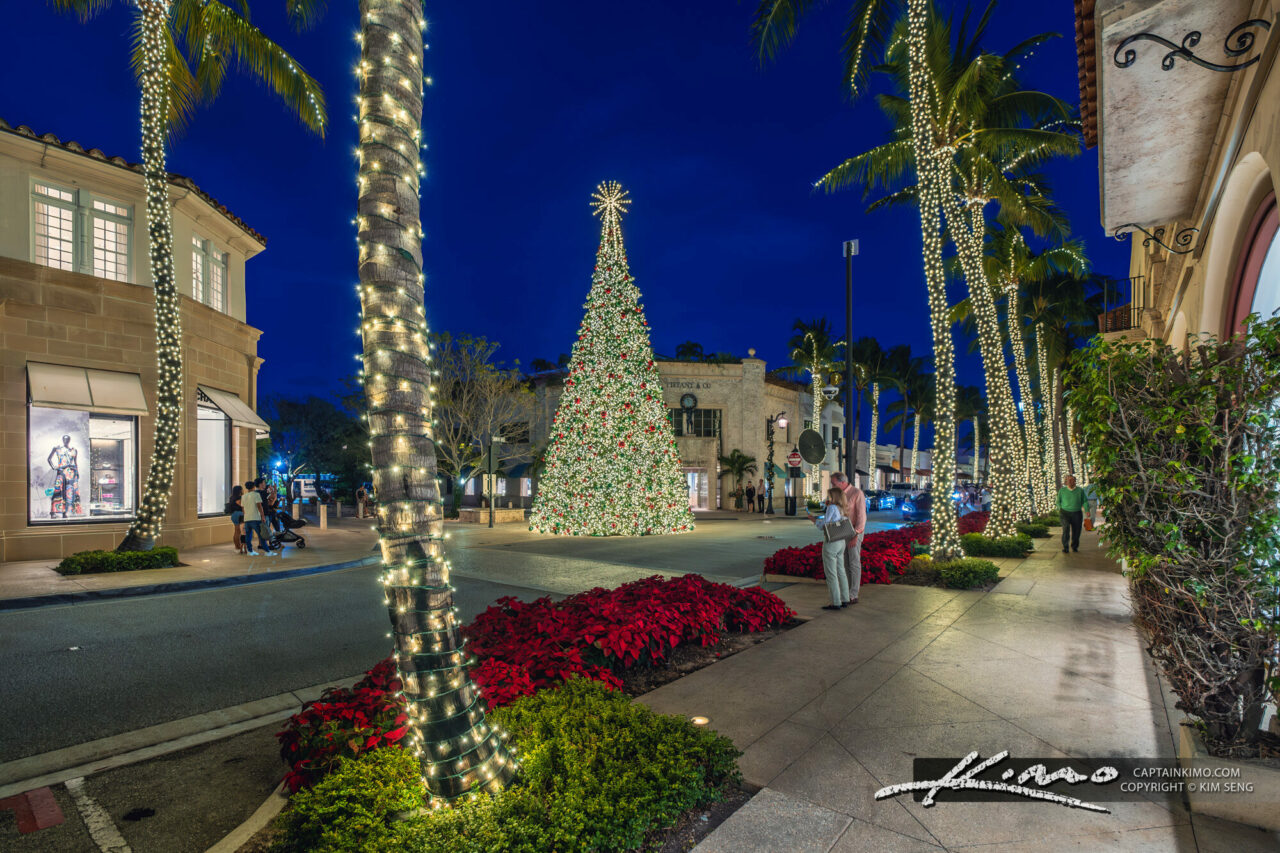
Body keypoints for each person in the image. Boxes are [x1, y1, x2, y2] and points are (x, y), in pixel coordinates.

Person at [808, 487, 851, 610]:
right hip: (841, 541)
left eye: (829, 496)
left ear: (833, 496)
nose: (827, 498)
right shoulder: (842, 507)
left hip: (831, 542)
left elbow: (825, 525)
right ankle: (844, 598)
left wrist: (814, 520)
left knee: (831, 573)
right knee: (841, 571)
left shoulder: (832, 507)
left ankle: (835, 602)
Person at [830, 472, 867, 604]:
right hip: (842, 531)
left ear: (842, 482)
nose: (832, 486)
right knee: (843, 563)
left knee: (854, 562)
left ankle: (853, 594)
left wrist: (856, 535)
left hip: (854, 532)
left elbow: (862, 518)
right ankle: (845, 593)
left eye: (834, 483)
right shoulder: (837, 495)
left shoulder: (857, 493)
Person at [47, 434, 82, 519]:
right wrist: (54, 467)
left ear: (69, 440)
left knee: (68, 493)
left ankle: (64, 512)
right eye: (64, 439)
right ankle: (53, 512)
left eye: (67, 439)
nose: (66, 441)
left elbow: (75, 462)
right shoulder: (57, 448)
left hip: (71, 474)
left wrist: (77, 472)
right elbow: (49, 459)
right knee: (58, 491)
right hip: (61, 472)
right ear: (62, 440)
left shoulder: (73, 450)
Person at [1057, 474, 1089, 553]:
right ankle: (1065, 547)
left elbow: (1084, 501)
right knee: (1066, 528)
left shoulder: (1080, 490)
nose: (1070, 482)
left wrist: (1087, 510)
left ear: (1075, 481)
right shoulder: (1062, 490)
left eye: (1071, 480)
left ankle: (1074, 546)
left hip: (1077, 513)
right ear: (1066, 482)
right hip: (1064, 513)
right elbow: (1058, 501)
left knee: (1076, 531)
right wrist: (1059, 508)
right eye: (1068, 480)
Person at [242, 480, 267, 556]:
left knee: (248, 536)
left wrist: (246, 516)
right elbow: (259, 506)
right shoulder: (256, 495)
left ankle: (250, 551)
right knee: (261, 535)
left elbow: (243, 509)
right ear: (253, 487)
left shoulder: (243, 496)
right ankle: (267, 551)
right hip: (255, 518)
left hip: (247, 518)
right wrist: (262, 516)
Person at [226, 485, 246, 555]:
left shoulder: (232, 497)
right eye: (242, 489)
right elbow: (242, 505)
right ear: (239, 490)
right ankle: (238, 547)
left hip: (234, 515)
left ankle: (237, 547)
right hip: (239, 515)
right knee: (239, 532)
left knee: (236, 532)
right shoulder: (238, 498)